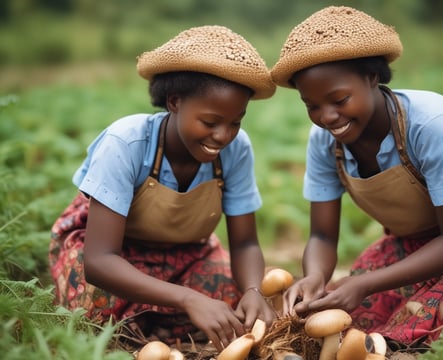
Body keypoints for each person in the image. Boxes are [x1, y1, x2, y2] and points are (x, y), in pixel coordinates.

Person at [270, 6, 443, 348]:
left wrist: (366, 284)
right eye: (312, 106)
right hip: (411, 246)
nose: (327, 117)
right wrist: (316, 276)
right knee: (342, 313)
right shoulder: (324, 143)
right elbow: (321, 234)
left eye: (339, 99)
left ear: (372, 78)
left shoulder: (429, 124)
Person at [48, 25, 277, 351]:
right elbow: (99, 261)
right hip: (112, 253)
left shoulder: (236, 149)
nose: (223, 135)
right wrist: (188, 299)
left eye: (235, 122)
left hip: (185, 255)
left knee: (238, 302)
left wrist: (253, 290)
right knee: (94, 304)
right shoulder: (126, 142)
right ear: (174, 102)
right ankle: (157, 328)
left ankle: (157, 330)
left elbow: (245, 243)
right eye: (210, 122)